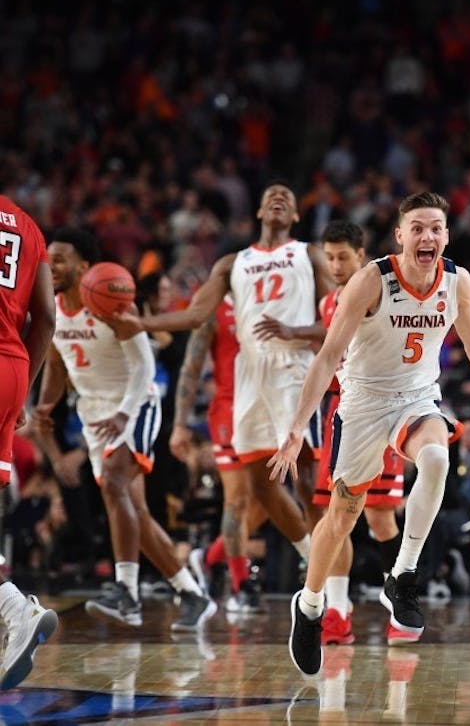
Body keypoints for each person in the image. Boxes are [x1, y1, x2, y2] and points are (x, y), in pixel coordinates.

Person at [269, 192, 470, 676]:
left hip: (416, 401)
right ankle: (311, 605)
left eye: (436, 228)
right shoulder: (369, 281)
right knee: (341, 517)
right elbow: (325, 357)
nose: (428, 236)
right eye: (417, 228)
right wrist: (297, 429)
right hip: (361, 403)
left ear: (446, 235)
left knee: (438, 459)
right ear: (400, 236)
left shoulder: (456, 281)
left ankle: (402, 575)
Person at [112, 183, 330, 564]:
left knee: (306, 479)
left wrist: (295, 331)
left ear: (295, 215)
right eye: (270, 196)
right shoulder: (232, 263)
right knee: (260, 488)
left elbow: (336, 319)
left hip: (292, 365)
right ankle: (312, 558)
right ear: (259, 213)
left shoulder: (308, 254)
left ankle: (328, 582)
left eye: (287, 197)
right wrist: (141, 324)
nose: (278, 197)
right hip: (247, 374)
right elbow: (196, 315)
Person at [36, 227, 215, 630]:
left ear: (85, 267)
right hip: (95, 413)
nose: (52, 265)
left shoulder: (110, 304)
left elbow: (145, 367)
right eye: (50, 258)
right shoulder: (53, 310)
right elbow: (57, 363)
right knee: (134, 513)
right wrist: (45, 404)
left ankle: (127, 593)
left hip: (136, 404)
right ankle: (191, 593)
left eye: (61, 259)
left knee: (115, 485)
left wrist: (124, 414)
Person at [287, 220, 405, 645]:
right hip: (340, 408)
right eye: (329, 257)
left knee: (378, 516)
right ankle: (337, 610)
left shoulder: (385, 290)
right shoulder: (327, 304)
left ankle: (400, 601)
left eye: (343, 257)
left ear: (361, 255)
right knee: (333, 514)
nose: (335, 265)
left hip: (384, 404)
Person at [172, 294, 312, 613]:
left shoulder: (277, 297)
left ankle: (208, 559)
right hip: (229, 411)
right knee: (237, 498)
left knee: (268, 497)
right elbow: (192, 367)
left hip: (271, 407)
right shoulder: (215, 307)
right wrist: (180, 423)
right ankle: (240, 585)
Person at [0, 196, 59, 690]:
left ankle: (14, 608)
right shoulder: (26, 223)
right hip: (14, 368)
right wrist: (24, 390)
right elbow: (47, 319)